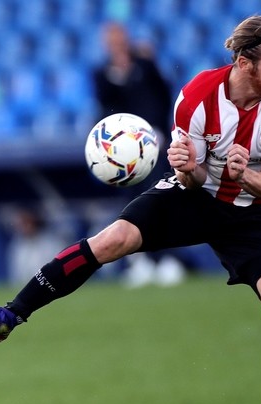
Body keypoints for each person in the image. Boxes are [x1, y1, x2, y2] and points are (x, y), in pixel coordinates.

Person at [0, 16, 261, 404]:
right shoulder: (197, 96)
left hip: (253, 212)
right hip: (195, 196)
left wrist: (245, 175)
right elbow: (191, 176)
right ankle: (12, 313)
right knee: (113, 238)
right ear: (243, 62)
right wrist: (187, 166)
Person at [92, 22, 187, 288]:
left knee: (161, 198)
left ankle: (169, 259)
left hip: (153, 142)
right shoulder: (102, 73)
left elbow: (164, 94)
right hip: (123, 150)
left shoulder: (145, 64)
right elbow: (104, 105)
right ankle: (140, 261)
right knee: (132, 204)